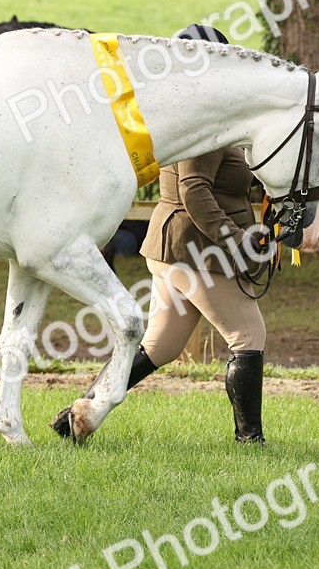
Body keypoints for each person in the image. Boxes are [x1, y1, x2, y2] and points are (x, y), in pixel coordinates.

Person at [50, 26, 271, 444]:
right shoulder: (206, 116)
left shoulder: (195, 108)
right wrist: (235, 238)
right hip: (197, 250)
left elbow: (220, 180)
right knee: (248, 335)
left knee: (161, 345)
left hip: (175, 247)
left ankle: (77, 416)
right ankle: (250, 440)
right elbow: (194, 189)